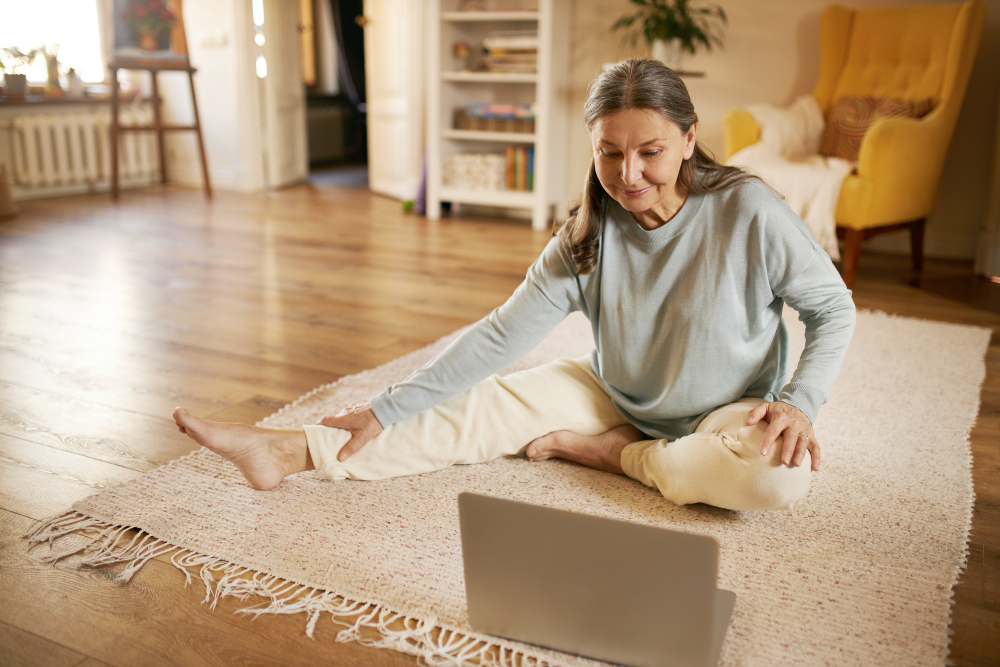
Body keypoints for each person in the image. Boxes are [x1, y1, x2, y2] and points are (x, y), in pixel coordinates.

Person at [173, 59, 856, 511]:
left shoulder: (748, 210)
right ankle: (286, 449)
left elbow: (833, 308)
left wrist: (799, 401)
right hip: (614, 389)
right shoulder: (586, 236)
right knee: (481, 408)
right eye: (610, 153)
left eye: (650, 151)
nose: (630, 174)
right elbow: (500, 335)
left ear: (688, 138)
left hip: (732, 408)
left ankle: (621, 454)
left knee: (777, 476)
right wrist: (383, 405)